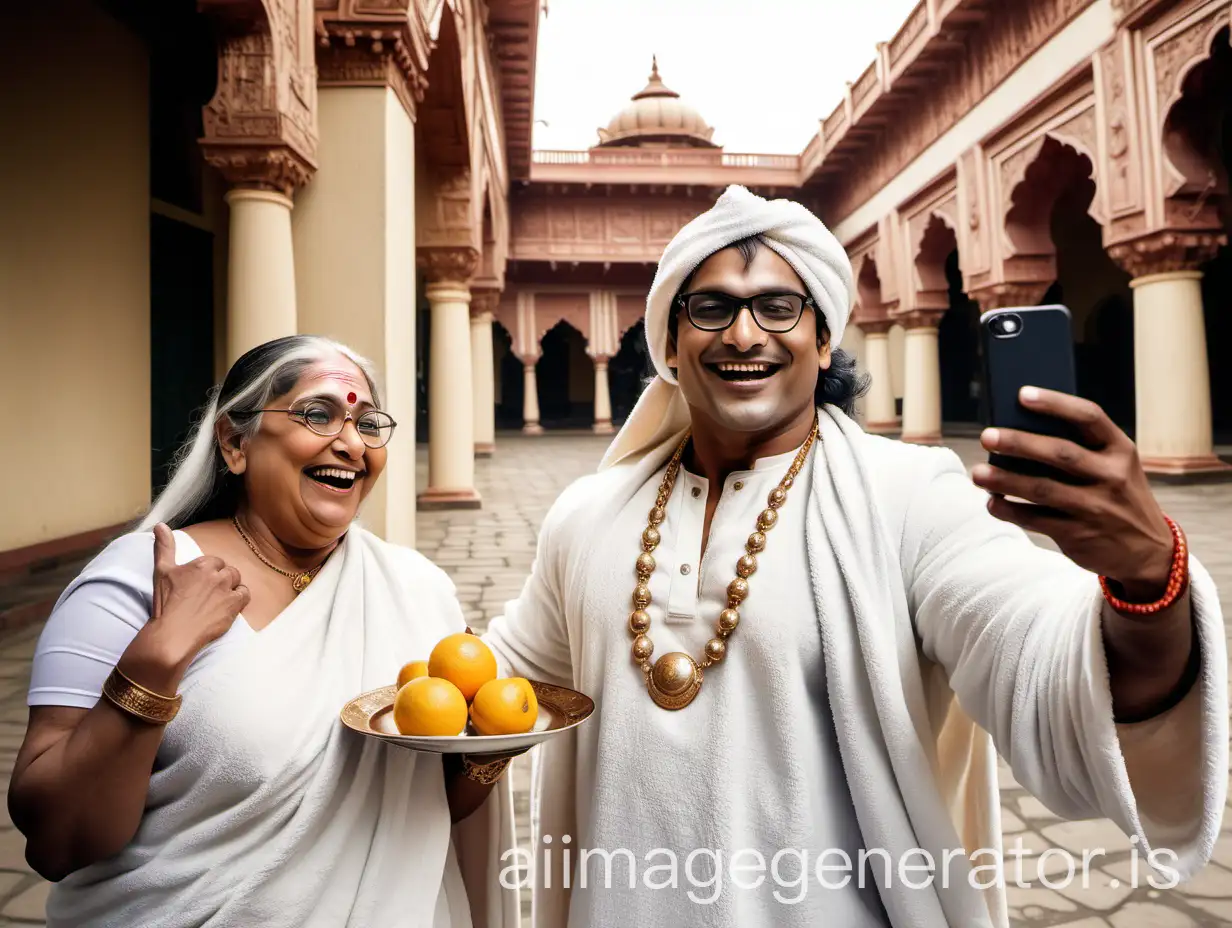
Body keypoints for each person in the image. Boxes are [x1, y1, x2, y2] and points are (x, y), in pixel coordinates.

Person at [481, 185, 1228, 927]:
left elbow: (1033, 655)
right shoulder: (587, 516)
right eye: (711, 308)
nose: (744, 334)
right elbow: (492, 689)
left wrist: (1143, 583)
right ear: (670, 342)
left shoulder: (907, 498)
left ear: (824, 336)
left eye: (778, 307)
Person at [9, 335, 521, 928]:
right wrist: (155, 660)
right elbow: (55, 843)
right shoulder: (139, 581)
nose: (352, 444)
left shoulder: (415, 589)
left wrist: (488, 748)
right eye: (319, 413)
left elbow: (425, 810)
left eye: (368, 422)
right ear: (234, 442)